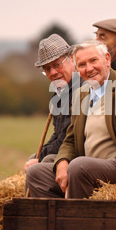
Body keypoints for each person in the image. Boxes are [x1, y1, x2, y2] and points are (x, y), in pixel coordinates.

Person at [27, 40, 116, 199]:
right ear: (76, 69)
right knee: (36, 173)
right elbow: (70, 138)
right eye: (82, 64)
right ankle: (54, 222)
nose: (89, 68)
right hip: (85, 167)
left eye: (93, 60)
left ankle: (75, 221)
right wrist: (62, 161)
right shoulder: (81, 94)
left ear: (107, 59)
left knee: (79, 166)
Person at [24, 34, 81, 193]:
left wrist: (40, 158)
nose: (53, 72)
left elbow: (66, 138)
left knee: (41, 164)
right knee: (33, 159)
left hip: (80, 153)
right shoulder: (59, 93)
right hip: (66, 150)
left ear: (71, 58)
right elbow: (57, 133)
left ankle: (47, 214)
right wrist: (38, 155)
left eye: (57, 65)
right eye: (47, 69)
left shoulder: (81, 90)